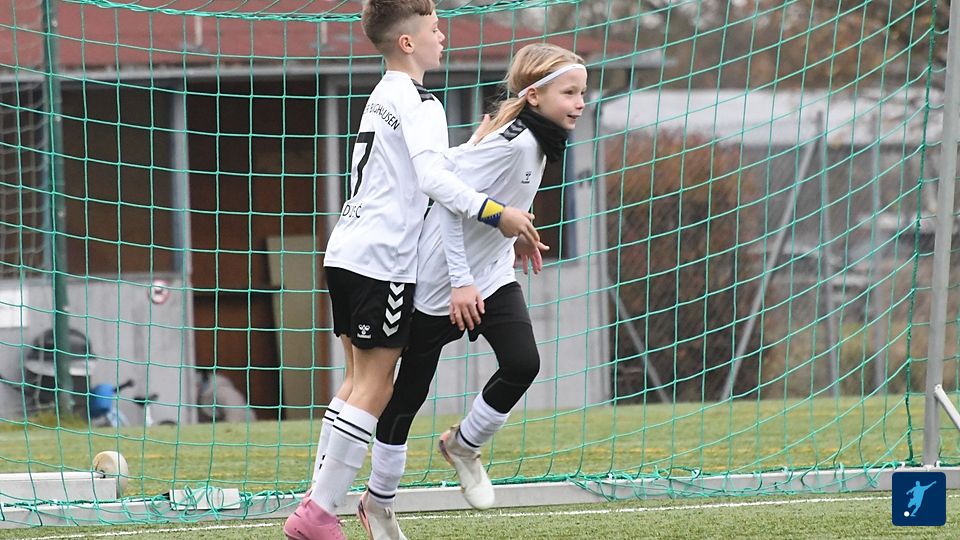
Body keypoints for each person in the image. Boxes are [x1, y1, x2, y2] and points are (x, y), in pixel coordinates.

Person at [282, 0, 540, 538]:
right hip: (383, 259)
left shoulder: (384, 93)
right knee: (376, 386)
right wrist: (499, 214)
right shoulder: (424, 102)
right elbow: (433, 181)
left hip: (346, 249)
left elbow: (426, 168)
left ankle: (315, 500)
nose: (441, 36)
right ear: (407, 42)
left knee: (355, 382)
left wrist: (470, 150)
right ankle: (319, 513)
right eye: (434, 29)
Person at [358, 43, 587, 540]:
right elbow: (447, 201)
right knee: (408, 395)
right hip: (441, 281)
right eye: (569, 92)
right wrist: (460, 281)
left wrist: (518, 235)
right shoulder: (512, 142)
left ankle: (463, 444)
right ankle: (378, 502)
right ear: (534, 96)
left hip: (492, 274)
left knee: (522, 363)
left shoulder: (540, 139)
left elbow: (498, 200)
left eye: (582, 93)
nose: (580, 102)